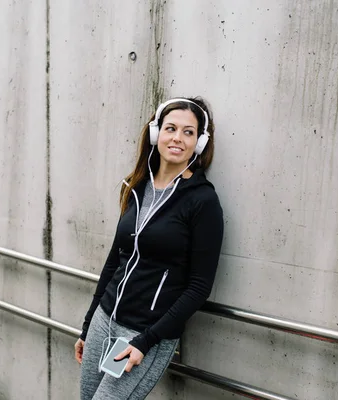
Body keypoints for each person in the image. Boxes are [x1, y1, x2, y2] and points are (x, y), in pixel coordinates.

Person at [74, 97, 224, 399]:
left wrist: (147, 340)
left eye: (189, 132)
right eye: (171, 128)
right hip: (105, 319)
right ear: (156, 133)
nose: (178, 138)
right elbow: (114, 262)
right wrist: (89, 324)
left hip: (144, 334)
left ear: (199, 142)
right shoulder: (137, 186)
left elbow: (199, 287)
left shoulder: (202, 201)